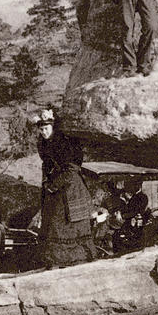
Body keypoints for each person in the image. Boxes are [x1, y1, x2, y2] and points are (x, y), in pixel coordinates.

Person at [35, 109, 96, 268]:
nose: (43, 132)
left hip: (71, 187)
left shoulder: (63, 143)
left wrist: (54, 185)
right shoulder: (43, 144)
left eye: (46, 128)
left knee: (66, 222)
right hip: (55, 187)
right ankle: (55, 261)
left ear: (53, 127)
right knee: (51, 221)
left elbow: (72, 169)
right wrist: (47, 183)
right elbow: (47, 165)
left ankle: (77, 259)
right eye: (41, 129)